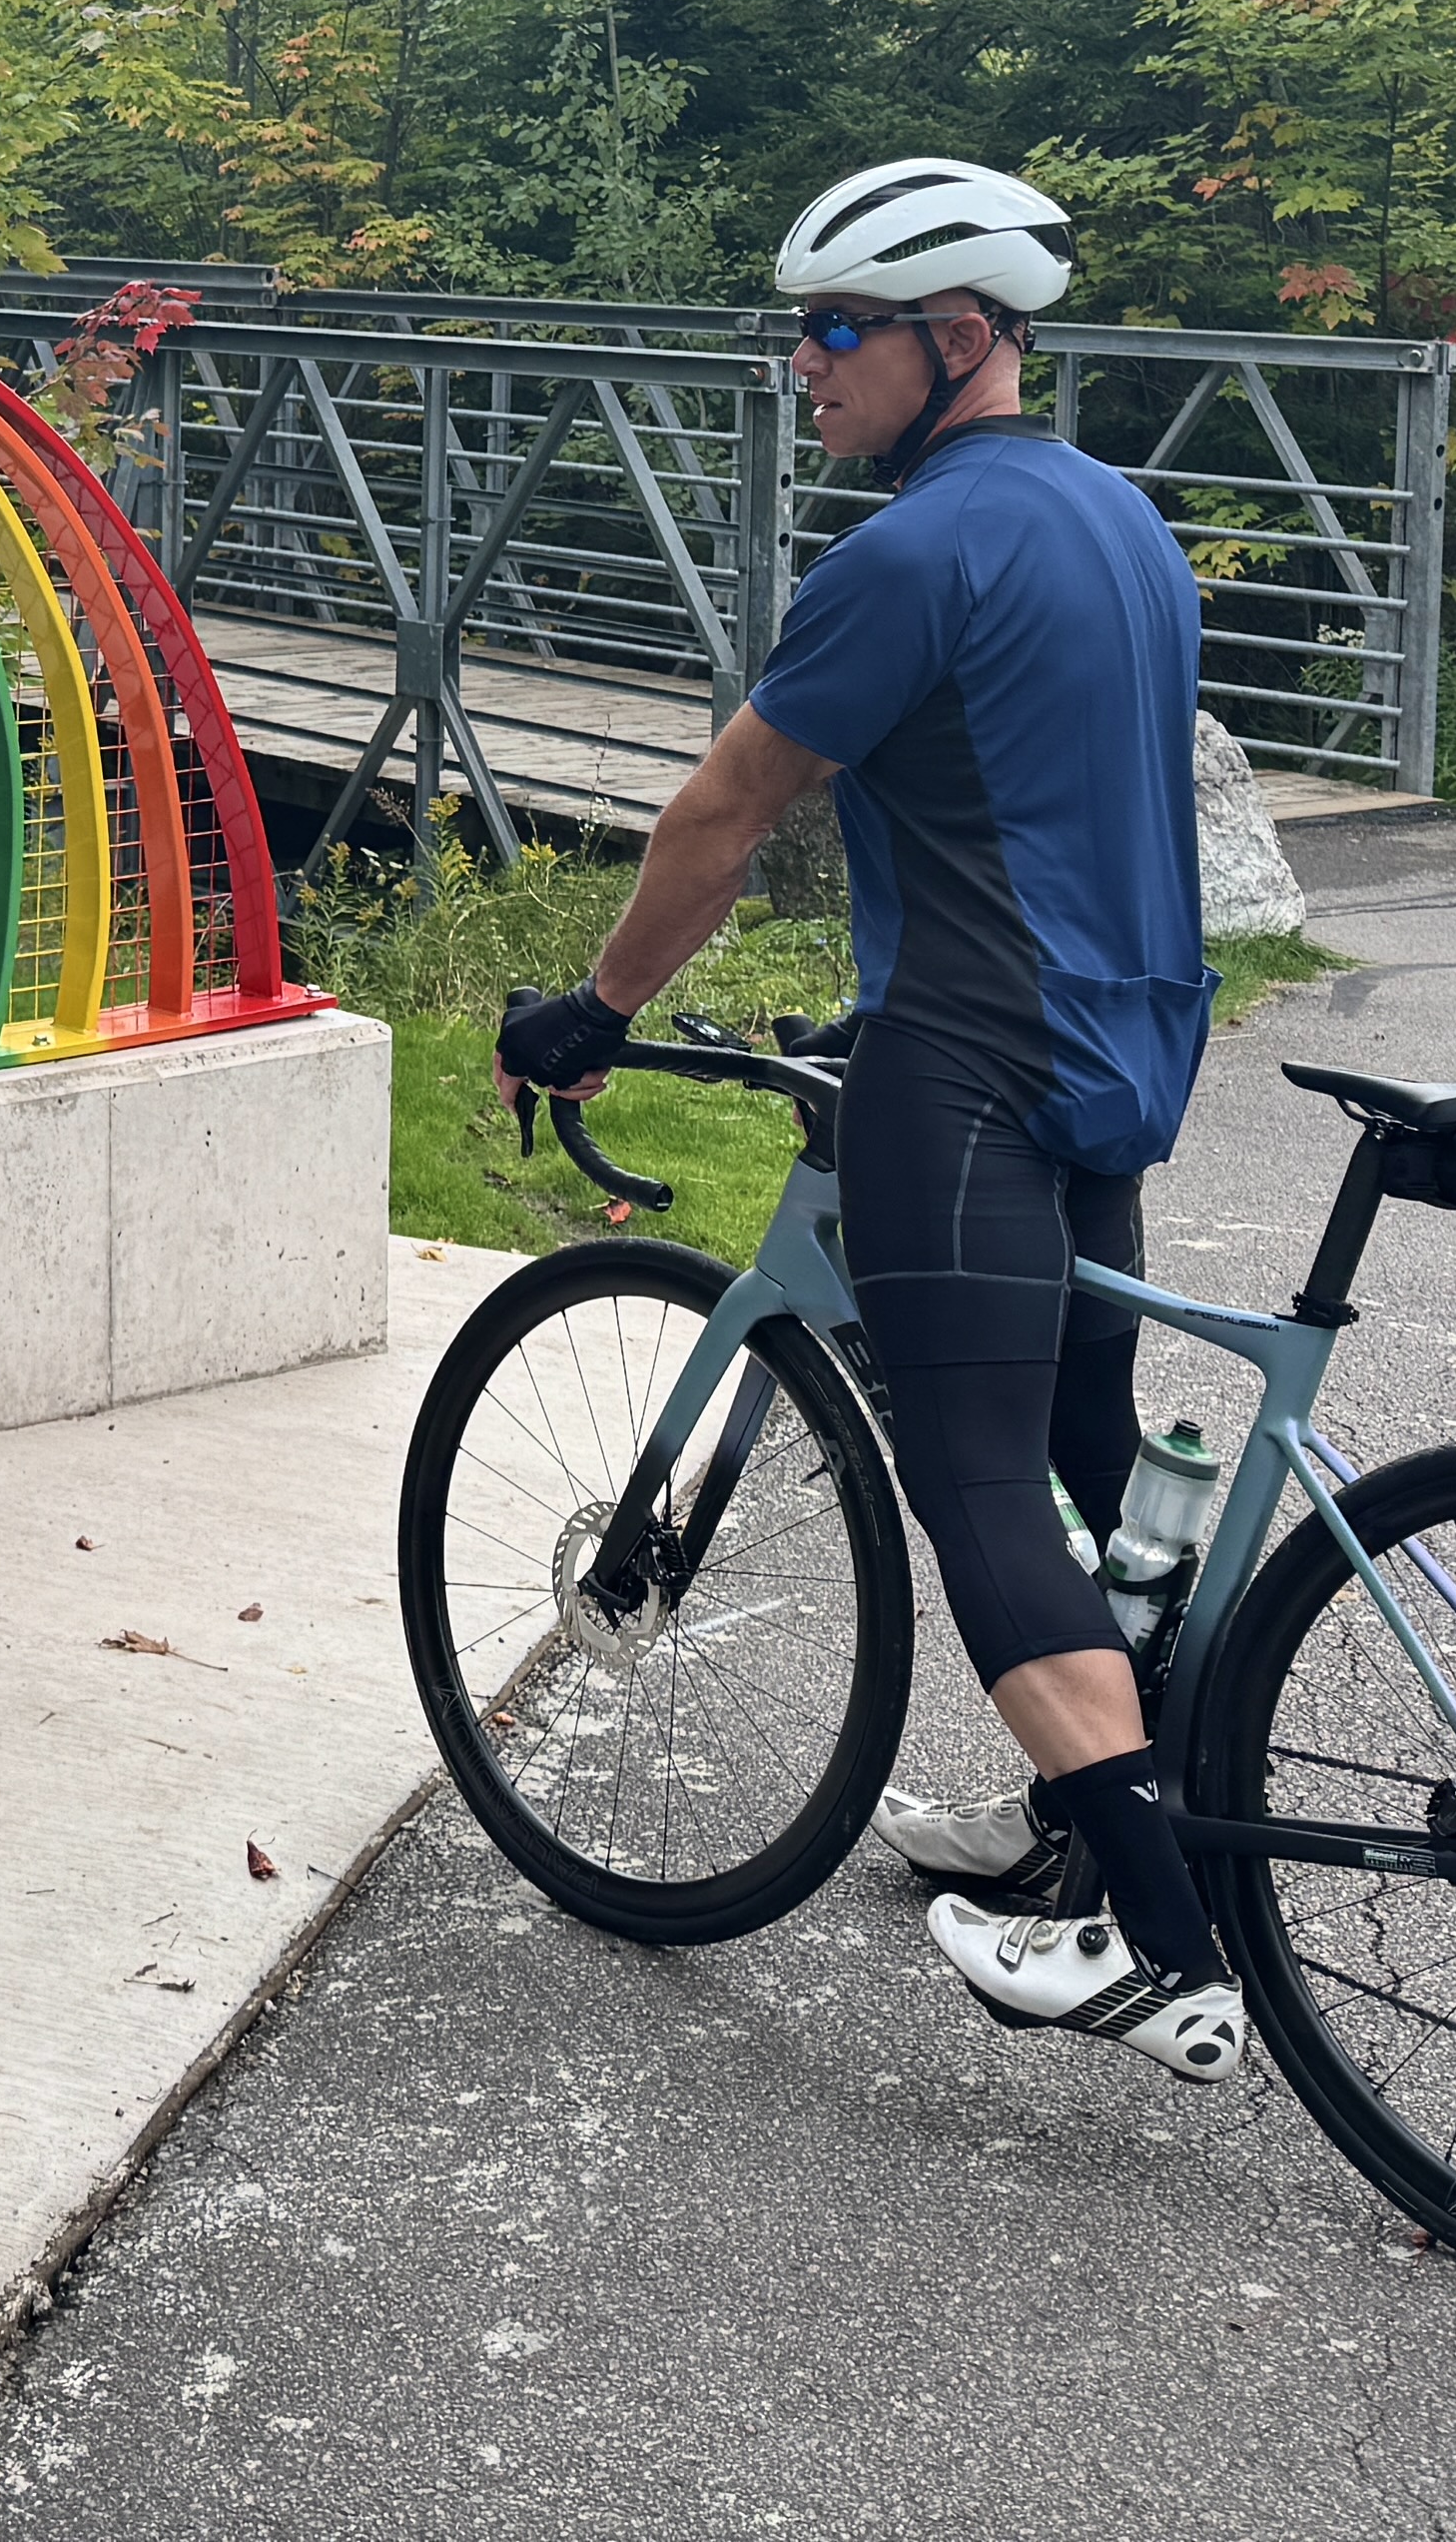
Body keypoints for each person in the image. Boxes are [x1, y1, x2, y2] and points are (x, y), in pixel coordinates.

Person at [493, 157, 1246, 2080]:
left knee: (980, 1484)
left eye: (838, 330)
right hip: (1119, 1053)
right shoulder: (1122, 522)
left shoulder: (907, 553)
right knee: (1085, 1451)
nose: (801, 365)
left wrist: (596, 1010)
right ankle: (1086, 1815)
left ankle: (1166, 1947)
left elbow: (721, 815)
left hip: (972, 1063)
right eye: (799, 327)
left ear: (965, 341)